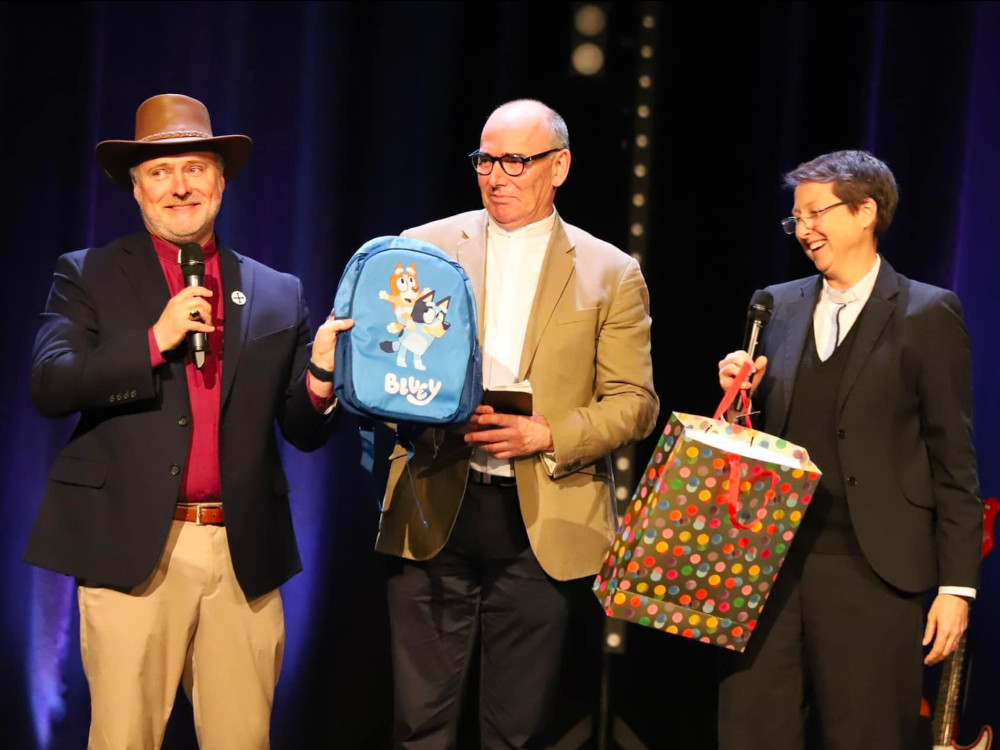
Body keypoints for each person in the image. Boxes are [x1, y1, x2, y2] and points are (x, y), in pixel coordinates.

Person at [25, 93, 352, 750]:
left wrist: (319, 380)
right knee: (124, 738)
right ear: (138, 189)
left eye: (195, 168)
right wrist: (153, 340)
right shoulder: (88, 275)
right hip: (133, 552)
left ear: (221, 179)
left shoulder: (276, 291)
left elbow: (303, 429)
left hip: (241, 557)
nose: (179, 186)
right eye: (159, 172)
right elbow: (51, 383)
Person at [375, 99, 658, 747]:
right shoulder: (422, 247)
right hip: (434, 502)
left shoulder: (610, 272)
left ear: (558, 167)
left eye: (515, 161)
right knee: (419, 723)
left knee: (517, 731)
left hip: (542, 522)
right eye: (485, 159)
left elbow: (634, 402)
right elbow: (387, 366)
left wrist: (549, 433)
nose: (496, 175)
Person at [716, 150, 981, 749]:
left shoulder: (926, 312)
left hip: (874, 572)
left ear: (865, 212)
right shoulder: (775, 305)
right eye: (796, 218)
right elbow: (755, 440)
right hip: (768, 567)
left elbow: (954, 459)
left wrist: (956, 587)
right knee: (751, 729)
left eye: (816, 213)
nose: (804, 229)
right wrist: (739, 396)